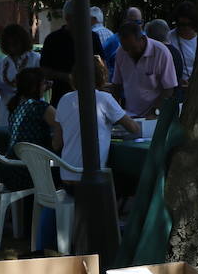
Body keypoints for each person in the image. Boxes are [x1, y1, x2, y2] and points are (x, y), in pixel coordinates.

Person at [53, 57, 140, 185]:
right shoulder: (104, 98)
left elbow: (56, 143)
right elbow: (134, 128)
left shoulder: (64, 100)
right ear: (101, 77)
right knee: (130, 180)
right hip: (92, 181)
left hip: (67, 178)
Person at [39, 0, 104, 106]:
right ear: (68, 18)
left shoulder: (93, 37)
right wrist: (67, 77)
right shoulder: (53, 40)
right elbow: (44, 70)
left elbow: (101, 64)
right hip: (61, 98)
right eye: (81, 16)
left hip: (90, 99)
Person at [1, 67, 56, 191]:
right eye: (44, 83)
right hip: (31, 171)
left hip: (11, 168)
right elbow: (62, 126)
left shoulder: (15, 104)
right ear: (34, 87)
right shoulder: (41, 107)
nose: (46, 86)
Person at [113, 21, 178, 119]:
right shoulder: (121, 52)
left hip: (154, 115)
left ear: (142, 39)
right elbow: (117, 85)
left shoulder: (161, 52)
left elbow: (169, 88)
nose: (129, 53)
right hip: (129, 115)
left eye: (133, 48)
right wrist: (116, 111)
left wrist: (155, 111)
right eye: (126, 49)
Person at [0, 23, 40, 119]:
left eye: (15, 43)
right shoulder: (3, 62)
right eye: (9, 44)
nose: (12, 47)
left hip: (31, 111)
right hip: (7, 112)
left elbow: (46, 84)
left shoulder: (35, 58)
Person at [167, 2, 198, 87]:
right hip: (177, 87)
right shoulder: (169, 37)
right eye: (182, 25)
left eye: (189, 24)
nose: (186, 28)